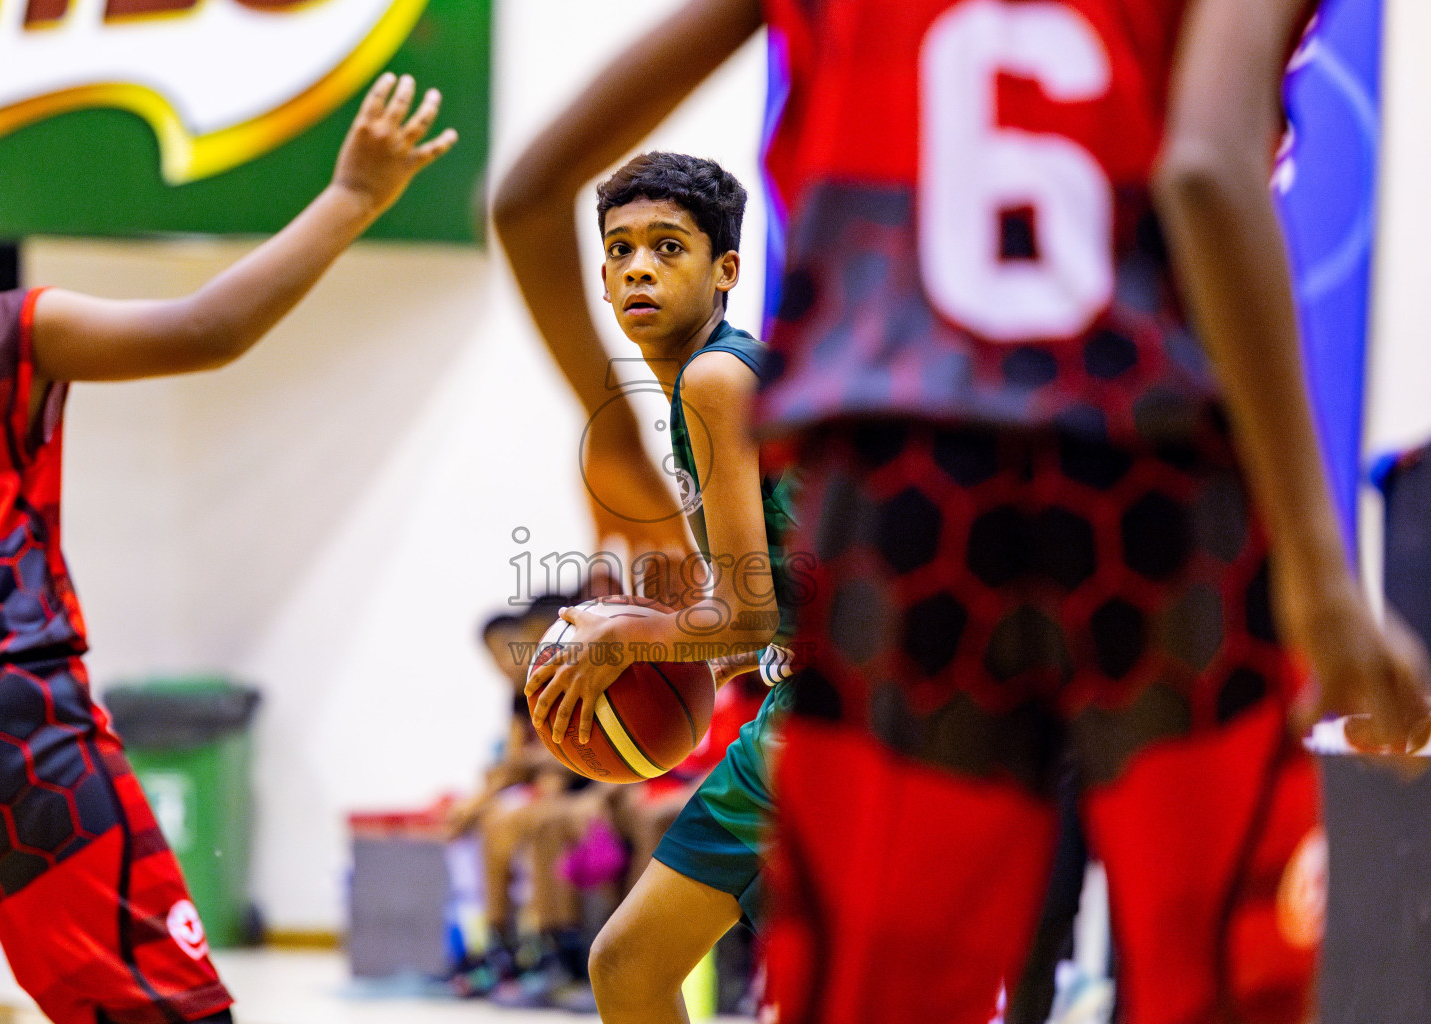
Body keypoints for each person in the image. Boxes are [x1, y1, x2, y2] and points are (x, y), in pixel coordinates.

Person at [491, 1, 1431, 1022]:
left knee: (881, 992)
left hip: (907, 508)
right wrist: (1317, 565)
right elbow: (1208, 172)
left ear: (719, 268)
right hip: (1143, 490)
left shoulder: (717, 382)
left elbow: (529, 193)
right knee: (1209, 981)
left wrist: (619, 466)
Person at [0, 76, 453, 1024]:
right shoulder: (9, 329)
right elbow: (209, 328)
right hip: (10, 717)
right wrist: (351, 197)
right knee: (157, 1011)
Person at [506, 150, 797, 1024]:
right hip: (828, 708)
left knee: (630, 967)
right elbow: (763, 623)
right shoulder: (706, 384)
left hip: (840, 721)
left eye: (669, 247)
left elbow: (753, 611)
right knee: (631, 965)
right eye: (621, 248)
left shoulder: (714, 378)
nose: (639, 265)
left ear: (726, 271)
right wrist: (671, 648)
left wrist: (628, 638)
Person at [447, 597, 608, 1006]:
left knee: (536, 821)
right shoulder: (523, 695)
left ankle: (560, 955)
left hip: (588, 792)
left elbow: (569, 757)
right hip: (552, 788)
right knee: (489, 821)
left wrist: (524, 774)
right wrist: (483, 794)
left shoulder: (583, 677)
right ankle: (500, 946)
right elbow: (518, 761)